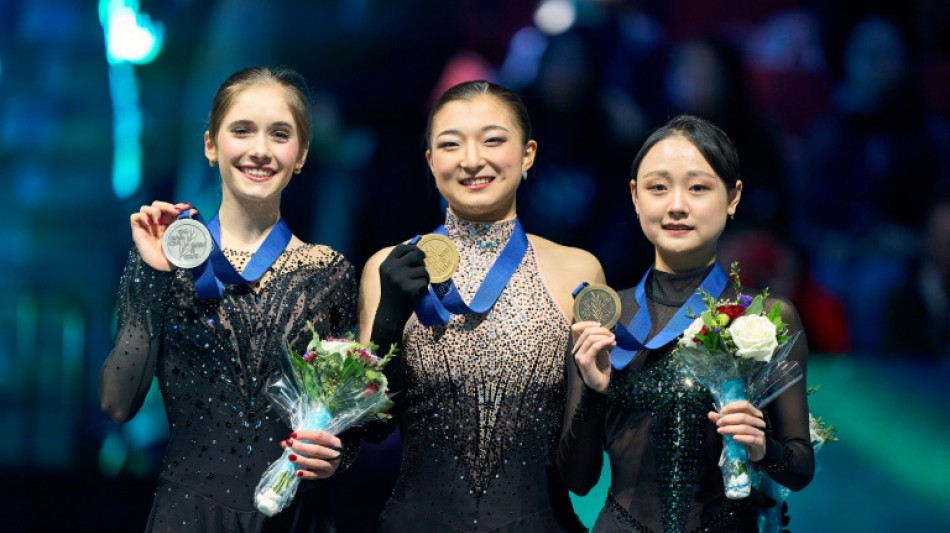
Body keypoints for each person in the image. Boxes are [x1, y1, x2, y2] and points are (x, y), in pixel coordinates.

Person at [99, 66, 358, 533]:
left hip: (295, 516)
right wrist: (154, 275)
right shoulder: (164, 260)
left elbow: (349, 421)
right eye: (242, 131)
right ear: (211, 145)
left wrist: (336, 456)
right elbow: (117, 403)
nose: (260, 150)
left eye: (280, 134)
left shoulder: (328, 272)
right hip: (189, 517)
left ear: (300, 155)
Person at [359, 80, 603, 532]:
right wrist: (388, 322)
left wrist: (596, 391)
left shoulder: (577, 270)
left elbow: (583, 477)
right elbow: (371, 431)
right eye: (451, 145)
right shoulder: (388, 267)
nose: (472, 160)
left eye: (493, 140)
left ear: (528, 154)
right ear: (431, 161)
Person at [559, 115, 814, 532]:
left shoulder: (765, 317)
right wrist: (592, 392)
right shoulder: (604, 316)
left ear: (733, 198)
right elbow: (578, 480)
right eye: (658, 187)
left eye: (698, 188)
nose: (677, 205)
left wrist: (762, 447)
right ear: (635, 197)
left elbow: (800, 470)